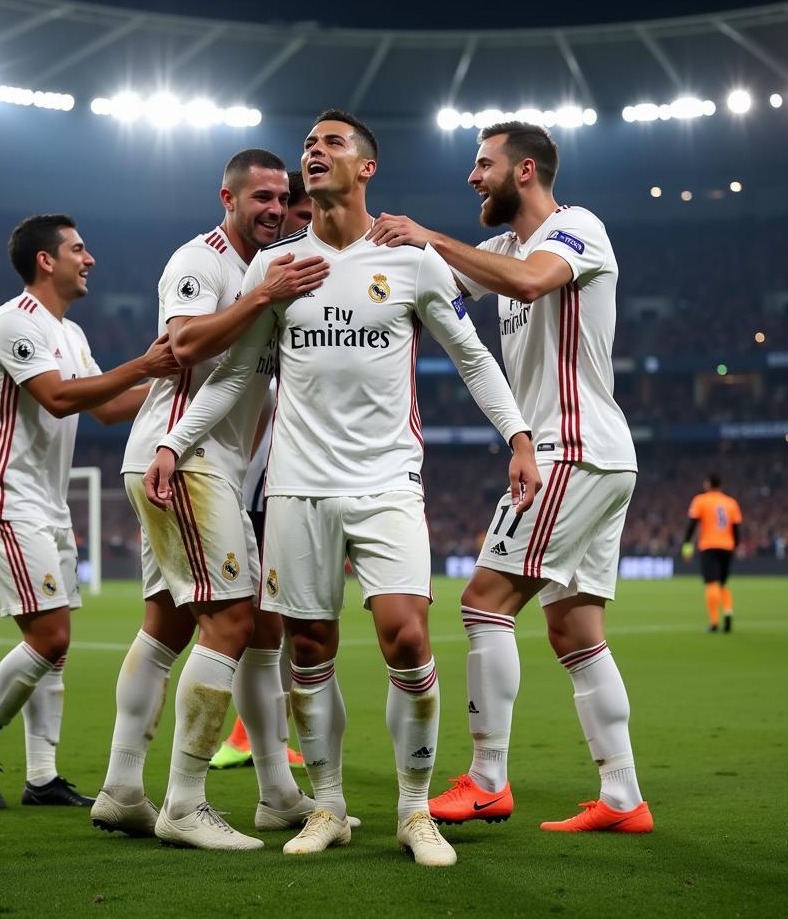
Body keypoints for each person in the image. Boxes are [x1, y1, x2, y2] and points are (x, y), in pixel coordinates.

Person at [146, 110, 538, 866]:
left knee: (408, 635)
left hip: (388, 480)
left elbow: (473, 357)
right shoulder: (277, 270)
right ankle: (326, 806)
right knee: (310, 649)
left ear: (366, 169)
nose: (313, 152)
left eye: (331, 144)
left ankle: (414, 810)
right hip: (297, 489)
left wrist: (518, 437)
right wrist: (172, 442)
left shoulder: (413, 261)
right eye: (309, 145)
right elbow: (232, 379)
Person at [367, 120, 653, 834]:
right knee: (576, 630)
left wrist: (426, 234)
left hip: (571, 447)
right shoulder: (497, 247)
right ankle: (623, 797)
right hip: (592, 456)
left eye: (484, 163)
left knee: (484, 603)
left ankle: (488, 778)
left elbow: (528, 284)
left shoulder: (575, 226)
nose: (473, 176)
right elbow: (428, 285)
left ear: (525, 171)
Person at [93, 150, 330, 851]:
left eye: (281, 197)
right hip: (186, 463)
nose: (273, 208)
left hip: (196, 465)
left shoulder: (264, 271)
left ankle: (122, 788)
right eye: (259, 195)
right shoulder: (202, 263)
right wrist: (258, 301)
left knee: (168, 628)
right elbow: (181, 346)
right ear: (225, 196)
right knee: (231, 622)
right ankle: (185, 804)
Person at [0, 214, 178, 811]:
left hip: (47, 505)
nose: (90, 259)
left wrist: (180, 385)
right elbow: (54, 397)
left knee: (54, 645)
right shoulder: (13, 321)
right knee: (49, 637)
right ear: (45, 260)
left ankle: (42, 777)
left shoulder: (69, 334)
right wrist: (144, 366)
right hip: (5, 498)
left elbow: (103, 409)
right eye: (79, 249)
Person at [211, 169, 313, 772]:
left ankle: (268, 743)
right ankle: (252, 739)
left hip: (300, 473)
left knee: (295, 619)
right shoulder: (260, 276)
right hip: (259, 477)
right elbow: (234, 373)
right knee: (261, 616)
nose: (295, 224)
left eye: (297, 212)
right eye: (286, 212)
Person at [683, 474, 742, 632]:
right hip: (727, 547)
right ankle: (728, 611)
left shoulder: (701, 500)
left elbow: (692, 524)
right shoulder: (731, 503)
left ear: (708, 484)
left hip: (709, 546)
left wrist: (687, 545)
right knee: (722, 583)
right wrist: (735, 546)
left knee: (712, 583)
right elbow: (736, 528)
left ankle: (714, 622)